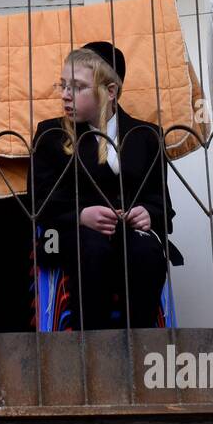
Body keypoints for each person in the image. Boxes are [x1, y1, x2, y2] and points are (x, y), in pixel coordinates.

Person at [31, 42, 183, 329]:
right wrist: (80, 215)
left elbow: (162, 204)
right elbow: (38, 203)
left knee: (146, 254)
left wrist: (148, 213)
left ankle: (138, 344)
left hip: (130, 236)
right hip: (71, 235)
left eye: (77, 87)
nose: (65, 95)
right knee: (94, 251)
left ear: (110, 92)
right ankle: (93, 348)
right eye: (63, 85)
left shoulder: (146, 136)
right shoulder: (50, 134)